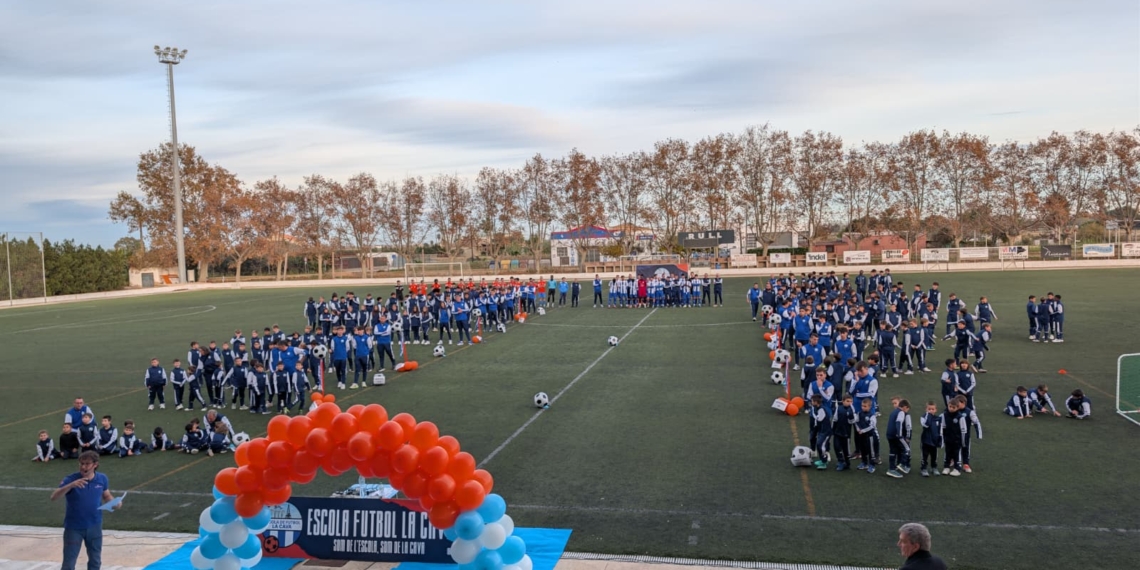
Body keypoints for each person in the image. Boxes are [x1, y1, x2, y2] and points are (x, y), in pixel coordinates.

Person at [51, 450, 121, 570]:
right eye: (81, 464)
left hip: (94, 525)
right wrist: (70, 485)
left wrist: (115, 503)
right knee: (69, 562)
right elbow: (54, 497)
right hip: (74, 528)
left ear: (95, 465)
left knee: (95, 560)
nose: (83, 467)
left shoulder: (102, 479)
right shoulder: (71, 479)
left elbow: (106, 495)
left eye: (87, 464)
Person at [886, 399, 912, 478]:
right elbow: (899, 423)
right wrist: (900, 435)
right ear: (904, 407)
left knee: (892, 451)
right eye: (907, 409)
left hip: (889, 435)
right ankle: (902, 464)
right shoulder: (901, 412)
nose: (906, 411)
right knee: (907, 449)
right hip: (897, 435)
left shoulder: (893, 412)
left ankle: (891, 469)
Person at [919, 401, 942, 477]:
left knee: (934, 455)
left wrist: (940, 439)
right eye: (929, 409)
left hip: (934, 441)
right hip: (926, 440)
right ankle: (924, 468)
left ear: (936, 410)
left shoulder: (938, 419)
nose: (931, 410)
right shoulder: (923, 417)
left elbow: (940, 430)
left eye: (933, 409)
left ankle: (934, 467)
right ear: (926, 409)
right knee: (924, 455)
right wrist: (928, 415)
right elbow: (926, 425)